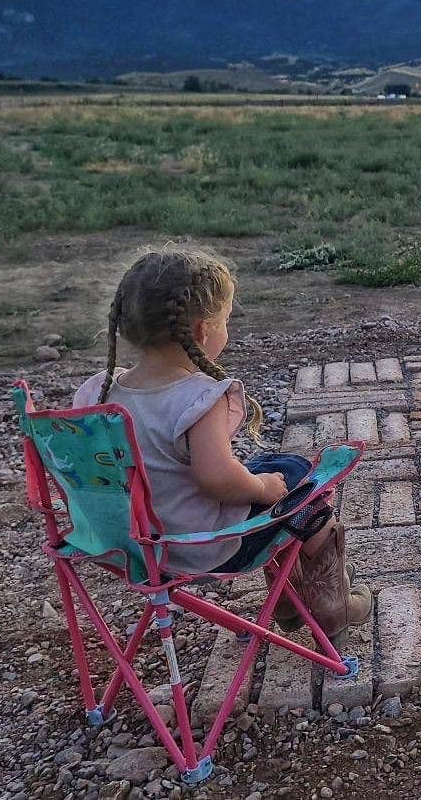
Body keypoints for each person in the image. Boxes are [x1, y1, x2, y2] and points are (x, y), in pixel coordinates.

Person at [70, 247, 371, 636]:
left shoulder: (98, 393)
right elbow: (216, 479)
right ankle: (331, 601)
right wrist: (261, 488)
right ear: (202, 331)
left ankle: (290, 596)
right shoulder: (198, 398)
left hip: (128, 547)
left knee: (269, 471)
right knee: (295, 475)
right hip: (202, 547)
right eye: (225, 321)